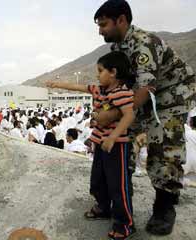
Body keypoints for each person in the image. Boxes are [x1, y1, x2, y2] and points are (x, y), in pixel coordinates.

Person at [93, 0, 196, 236]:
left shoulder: (144, 44)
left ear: (121, 20)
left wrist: (113, 114)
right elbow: (123, 88)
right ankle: (119, 203)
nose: (100, 30)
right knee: (122, 144)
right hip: (140, 99)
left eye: (104, 25)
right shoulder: (117, 50)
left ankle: (164, 207)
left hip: (170, 96)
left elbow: (145, 89)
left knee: (163, 146)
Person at [47, 51, 135, 240]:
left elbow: (129, 115)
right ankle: (103, 207)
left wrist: (112, 137)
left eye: (100, 71)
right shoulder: (98, 90)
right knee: (98, 179)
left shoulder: (122, 93)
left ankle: (125, 224)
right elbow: (77, 86)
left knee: (118, 185)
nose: (97, 74)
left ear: (113, 72)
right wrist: (57, 84)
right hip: (100, 144)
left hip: (116, 146)